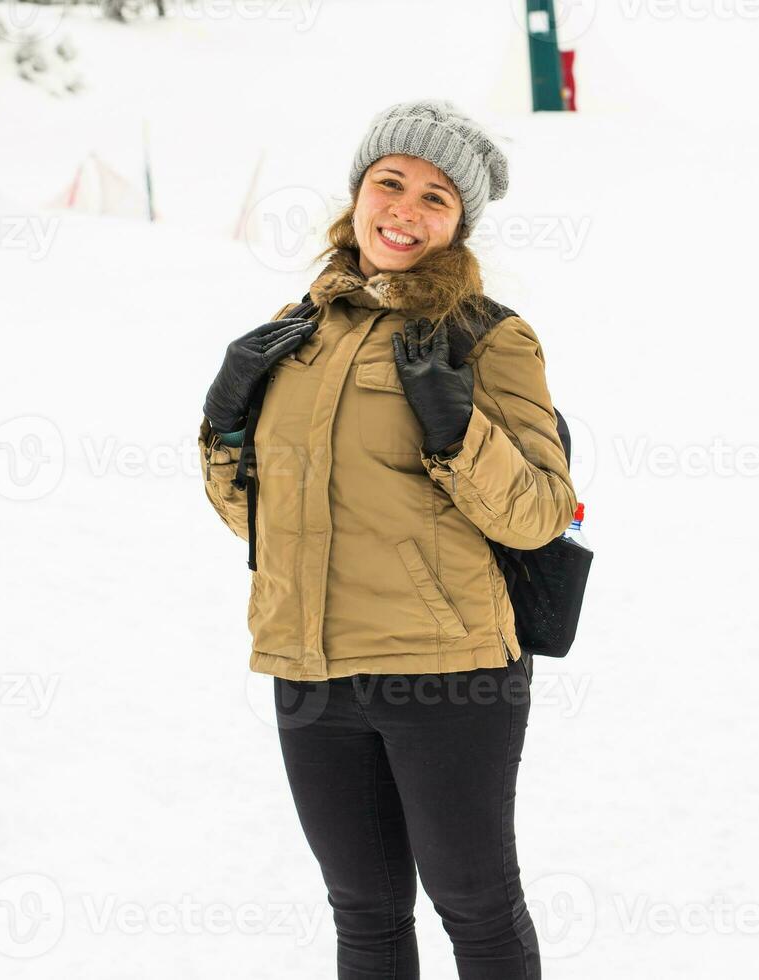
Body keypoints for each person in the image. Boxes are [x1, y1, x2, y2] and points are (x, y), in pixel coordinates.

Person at [198, 99, 577, 980]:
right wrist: (223, 422)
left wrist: (457, 434)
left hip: (447, 670)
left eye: (435, 197)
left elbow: (541, 512)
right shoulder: (297, 334)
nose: (405, 209)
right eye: (390, 183)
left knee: (476, 909)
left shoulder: (489, 338)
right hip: (309, 668)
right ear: (358, 194)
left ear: (458, 226)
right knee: (363, 915)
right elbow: (253, 520)